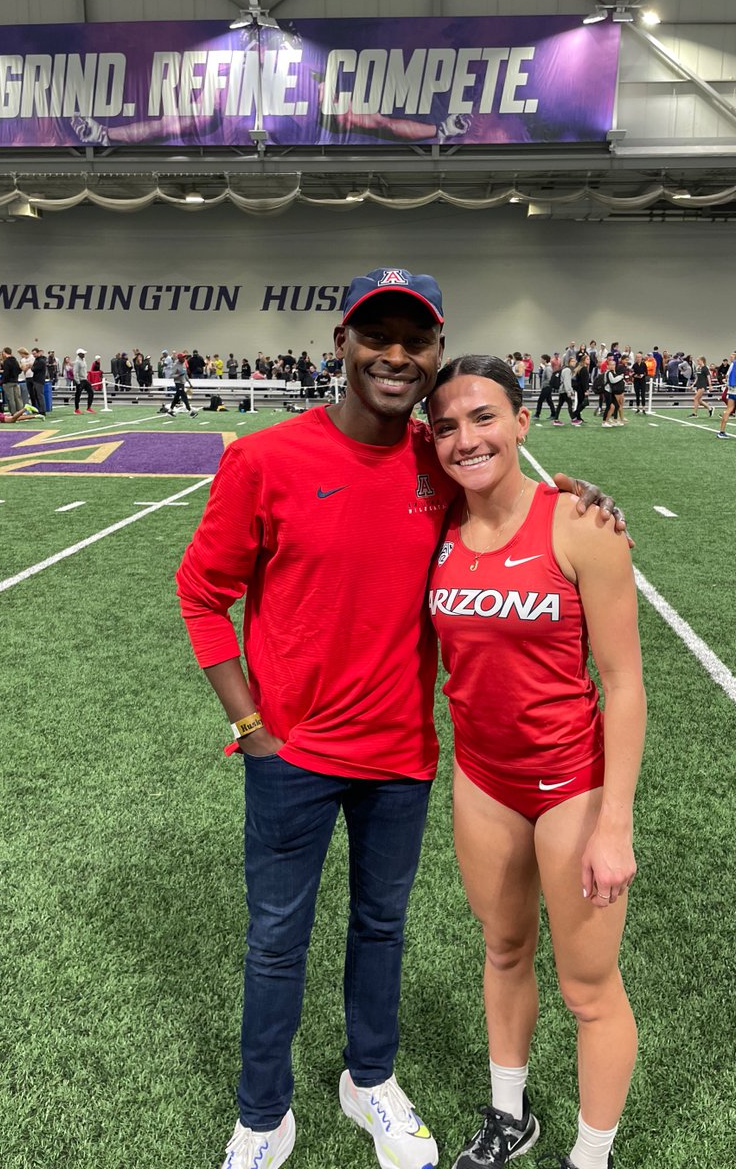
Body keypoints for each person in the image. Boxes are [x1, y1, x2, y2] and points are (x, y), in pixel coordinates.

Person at [175, 268, 629, 1169]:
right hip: (293, 756)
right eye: (375, 336)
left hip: (403, 759)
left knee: (382, 930)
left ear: (435, 352)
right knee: (276, 942)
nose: (395, 355)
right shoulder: (264, 459)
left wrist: (581, 498)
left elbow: (510, 498)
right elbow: (199, 594)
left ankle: (370, 1081)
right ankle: (262, 1118)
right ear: (340, 344)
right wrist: (251, 729)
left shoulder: (441, 460)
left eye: (414, 340)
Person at [426, 355, 644, 1169]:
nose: (466, 439)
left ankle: (590, 1155)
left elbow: (624, 685)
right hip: (482, 781)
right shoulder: (434, 526)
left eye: (484, 417)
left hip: (570, 786)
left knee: (588, 990)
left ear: (522, 421)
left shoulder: (582, 526)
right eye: (446, 426)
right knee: (504, 951)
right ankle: (509, 1115)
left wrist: (614, 823)